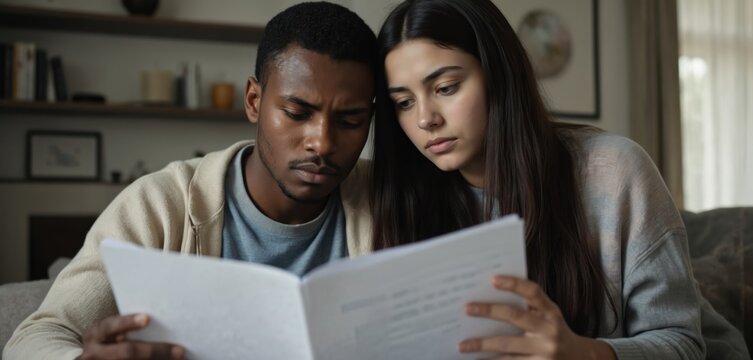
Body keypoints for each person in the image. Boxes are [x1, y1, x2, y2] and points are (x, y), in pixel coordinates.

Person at [370, 0, 749, 358]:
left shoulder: (614, 171)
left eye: (445, 88)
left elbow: (684, 344)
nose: (425, 119)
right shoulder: (405, 197)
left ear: (499, 75)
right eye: (404, 102)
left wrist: (582, 352)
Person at [3, 2, 376, 359]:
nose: (322, 143)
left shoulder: (387, 196)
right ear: (253, 101)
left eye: (351, 121)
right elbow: (36, 336)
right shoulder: (160, 204)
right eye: (297, 113)